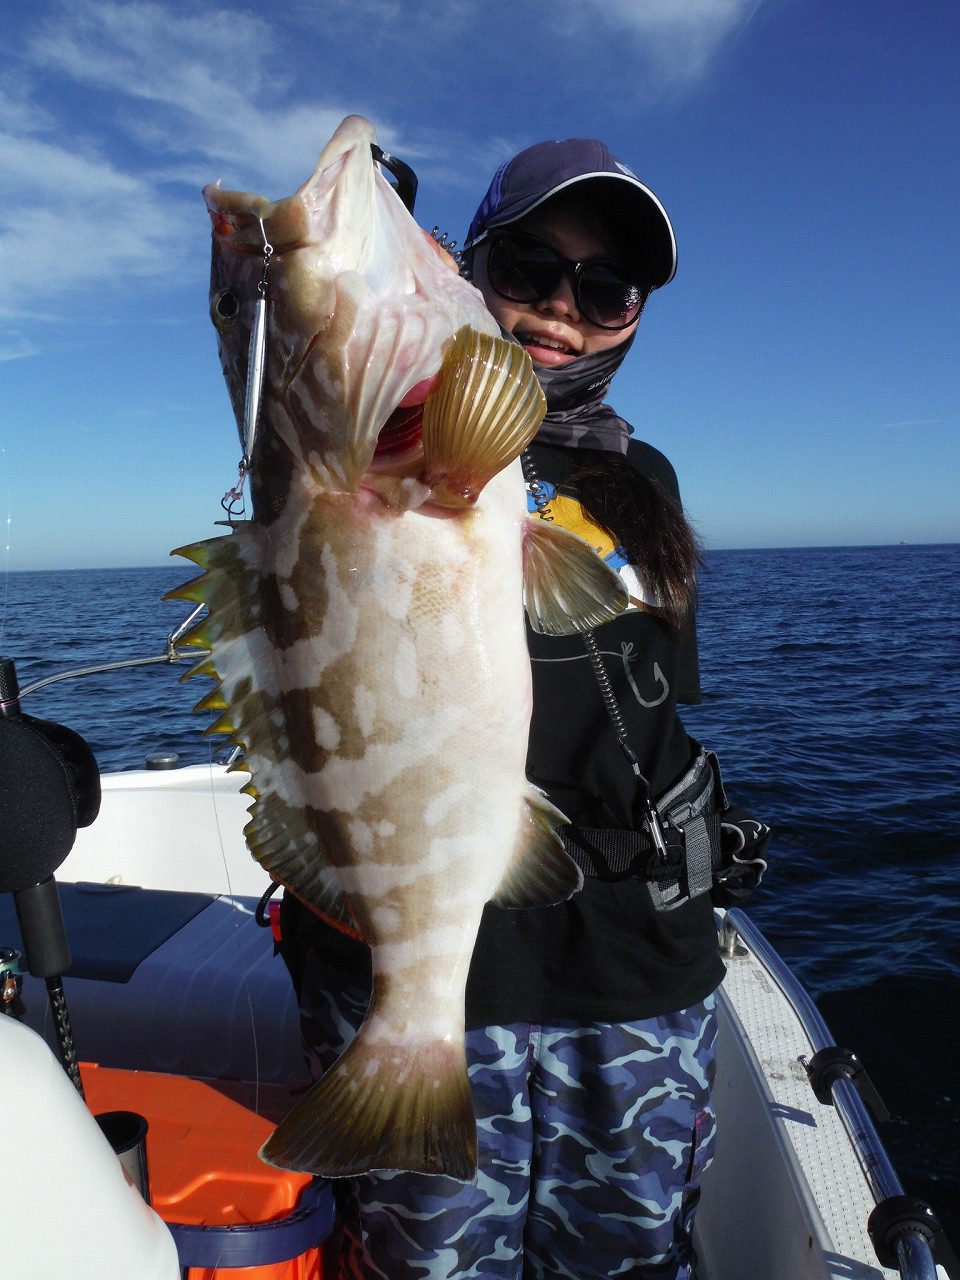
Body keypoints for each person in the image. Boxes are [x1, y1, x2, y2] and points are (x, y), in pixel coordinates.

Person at [280, 136, 770, 1279]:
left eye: (605, 289)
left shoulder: (642, 480)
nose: (562, 307)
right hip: (441, 971)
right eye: (530, 268)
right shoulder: (369, 430)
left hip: (633, 969)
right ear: (469, 261)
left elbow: (644, 712)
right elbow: (293, 396)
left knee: (631, 1258)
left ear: (634, 316)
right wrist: (366, 278)